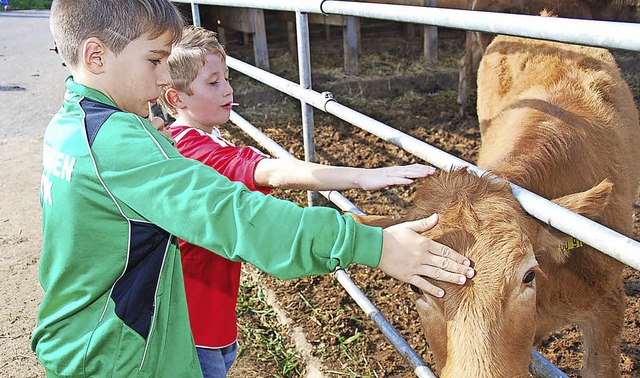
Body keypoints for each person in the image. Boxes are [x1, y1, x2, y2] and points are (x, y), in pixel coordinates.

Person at [33, 1, 474, 377]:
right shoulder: (116, 143)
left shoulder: (70, 127)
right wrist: (372, 245)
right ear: (95, 56)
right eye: (154, 61)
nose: (165, 77)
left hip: (91, 339)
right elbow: (236, 215)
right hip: (121, 355)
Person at [158, 25, 459, 377]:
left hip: (212, 316)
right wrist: (360, 176)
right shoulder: (190, 149)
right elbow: (269, 171)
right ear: (176, 99)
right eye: (213, 83)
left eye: (226, 78)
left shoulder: (208, 139)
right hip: (194, 328)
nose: (228, 90)